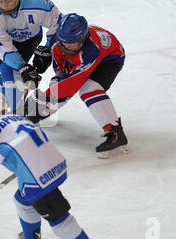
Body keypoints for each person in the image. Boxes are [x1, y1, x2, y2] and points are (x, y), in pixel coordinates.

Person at [0, 104, 100, 239]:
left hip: (37, 178)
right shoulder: (15, 118)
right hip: (53, 164)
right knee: (22, 200)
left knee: (59, 219)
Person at [19, 13, 130, 159]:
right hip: (89, 56)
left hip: (110, 59)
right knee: (59, 88)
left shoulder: (91, 51)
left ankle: (115, 132)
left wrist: (41, 102)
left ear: (83, 39)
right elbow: (61, 71)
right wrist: (53, 86)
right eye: (63, 42)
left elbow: (70, 85)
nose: (66, 45)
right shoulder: (59, 41)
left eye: (71, 43)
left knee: (89, 90)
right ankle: (38, 113)